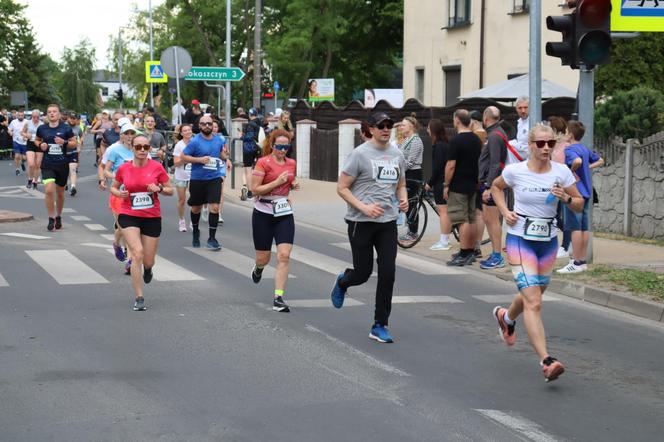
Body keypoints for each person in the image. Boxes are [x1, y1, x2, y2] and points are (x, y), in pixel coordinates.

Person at [489, 123, 584, 382]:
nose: (545, 148)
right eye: (540, 143)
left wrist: (565, 198)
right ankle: (546, 360)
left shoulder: (562, 172)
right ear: (530, 145)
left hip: (548, 241)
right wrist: (505, 211)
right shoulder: (515, 171)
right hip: (520, 240)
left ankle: (506, 318)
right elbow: (495, 187)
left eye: (550, 143)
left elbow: (579, 204)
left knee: (533, 293)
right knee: (534, 301)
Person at [330, 112, 408, 344]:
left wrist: (403, 199)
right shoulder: (359, 154)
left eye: (389, 125)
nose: (386, 129)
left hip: (387, 223)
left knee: (388, 273)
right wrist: (363, 207)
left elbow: (400, 184)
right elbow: (342, 188)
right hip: (360, 222)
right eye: (381, 126)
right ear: (371, 129)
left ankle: (380, 324)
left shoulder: (397, 154)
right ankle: (343, 281)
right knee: (362, 273)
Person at [110, 133, 173, 311]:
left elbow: (170, 190)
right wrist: (118, 194)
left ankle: (148, 269)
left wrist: (159, 188)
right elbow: (113, 187)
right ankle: (139, 297)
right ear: (133, 148)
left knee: (148, 260)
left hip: (151, 216)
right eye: (139, 147)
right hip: (128, 213)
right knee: (136, 253)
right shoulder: (124, 168)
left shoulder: (157, 167)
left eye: (146, 147)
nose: (143, 150)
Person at [250, 129, 299, 312]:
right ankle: (259, 267)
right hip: (263, 212)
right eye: (279, 146)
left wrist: (293, 184)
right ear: (272, 145)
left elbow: (290, 181)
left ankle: (278, 297)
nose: (282, 150)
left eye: (286, 147)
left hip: (284, 212)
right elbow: (255, 189)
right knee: (264, 257)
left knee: (284, 255)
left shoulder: (291, 163)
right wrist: (277, 182)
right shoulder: (263, 163)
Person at [557, 121, 604, 274]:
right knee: (584, 228)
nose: (564, 133)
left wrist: (570, 171)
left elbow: (577, 161)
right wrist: (587, 168)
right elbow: (601, 160)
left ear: (570, 134)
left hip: (574, 192)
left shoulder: (570, 149)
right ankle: (582, 261)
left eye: (565, 131)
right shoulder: (584, 148)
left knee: (574, 227)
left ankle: (576, 262)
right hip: (587, 191)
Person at [180, 115, 226, 250]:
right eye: (204, 124)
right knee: (196, 208)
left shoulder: (218, 140)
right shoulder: (195, 141)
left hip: (214, 178)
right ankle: (195, 231)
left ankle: (212, 238)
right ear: (199, 126)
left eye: (209, 124)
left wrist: (225, 158)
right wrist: (199, 160)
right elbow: (183, 156)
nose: (207, 126)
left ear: (213, 125)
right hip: (198, 178)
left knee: (215, 207)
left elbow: (221, 155)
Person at [444, 110, 483, 266]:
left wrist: (446, 184)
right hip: (472, 183)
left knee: (461, 219)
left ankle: (464, 252)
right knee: (471, 217)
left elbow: (450, 165)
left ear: (457, 120)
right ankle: (470, 251)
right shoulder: (475, 139)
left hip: (458, 184)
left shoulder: (456, 141)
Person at [34, 104, 77, 231]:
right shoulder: (42, 128)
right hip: (47, 164)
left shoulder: (66, 128)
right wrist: (41, 144)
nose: (52, 113)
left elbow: (74, 143)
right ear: (47, 114)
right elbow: (36, 140)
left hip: (62, 164)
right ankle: (51, 217)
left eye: (54, 111)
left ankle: (58, 216)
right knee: (48, 190)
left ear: (58, 114)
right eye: (49, 112)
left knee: (60, 194)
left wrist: (64, 142)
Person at [478, 106, 508, 269]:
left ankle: (497, 256)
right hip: (490, 182)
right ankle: (495, 254)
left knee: (493, 220)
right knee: (489, 219)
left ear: (485, 117)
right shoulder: (496, 133)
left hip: (492, 183)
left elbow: (496, 163)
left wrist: (490, 186)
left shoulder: (495, 135)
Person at [424, 118, 453, 251]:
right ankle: (446, 238)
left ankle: (444, 241)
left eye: (429, 128)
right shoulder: (446, 144)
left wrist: (429, 183)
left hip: (441, 182)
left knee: (443, 212)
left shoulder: (438, 146)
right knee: (446, 211)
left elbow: (438, 167)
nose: (427, 130)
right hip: (446, 181)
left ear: (433, 130)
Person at [548, 116, 572, 259]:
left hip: (566, 185)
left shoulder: (566, 146)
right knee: (556, 216)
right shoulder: (552, 144)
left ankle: (566, 245)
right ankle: (570, 239)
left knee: (565, 215)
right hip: (555, 184)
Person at [398, 115, 424, 242]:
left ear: (411, 126)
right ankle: (410, 229)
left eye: (403, 124)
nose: (401, 127)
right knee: (406, 201)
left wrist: (398, 170)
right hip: (406, 173)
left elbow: (411, 162)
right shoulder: (405, 139)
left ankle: (413, 232)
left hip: (413, 174)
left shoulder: (416, 140)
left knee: (411, 202)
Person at [172, 124, 192, 231]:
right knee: (182, 200)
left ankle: (194, 221)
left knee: (195, 199)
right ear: (181, 133)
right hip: (181, 176)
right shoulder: (179, 145)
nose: (188, 132)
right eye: (185, 130)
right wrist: (185, 159)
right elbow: (175, 163)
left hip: (194, 176)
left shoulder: (195, 143)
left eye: (189, 130)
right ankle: (181, 220)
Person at [241, 108, 261, 200]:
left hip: (249, 148)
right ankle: (254, 188)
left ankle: (250, 191)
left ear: (249, 115)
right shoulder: (260, 123)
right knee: (255, 169)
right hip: (257, 148)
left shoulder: (250, 124)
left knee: (248, 169)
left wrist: (242, 136)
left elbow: (249, 136)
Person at [21, 109, 43, 189]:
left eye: (37, 117)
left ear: (39, 117)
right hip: (30, 143)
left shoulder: (42, 124)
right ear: (31, 116)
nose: (36, 119)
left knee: (37, 165)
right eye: (34, 117)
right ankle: (30, 180)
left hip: (39, 144)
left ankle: (35, 182)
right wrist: (26, 135)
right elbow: (22, 132)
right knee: (31, 164)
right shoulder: (28, 123)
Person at [65, 113, 82, 196]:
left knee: (72, 169)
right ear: (68, 118)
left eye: (74, 118)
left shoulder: (78, 128)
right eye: (71, 118)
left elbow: (81, 136)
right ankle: (64, 183)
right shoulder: (63, 127)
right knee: (65, 170)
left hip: (73, 151)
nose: (72, 120)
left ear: (76, 119)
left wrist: (79, 143)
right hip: (63, 152)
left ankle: (73, 187)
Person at [509, 97, 530, 163]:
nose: (523, 111)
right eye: (520, 108)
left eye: (525, 107)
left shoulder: (533, 122)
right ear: (516, 109)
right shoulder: (519, 123)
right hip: (521, 157)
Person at [8, 109, 27, 175]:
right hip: (16, 140)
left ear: (24, 115)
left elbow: (30, 131)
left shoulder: (27, 122)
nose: (20, 116)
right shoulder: (13, 122)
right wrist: (10, 132)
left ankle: (22, 162)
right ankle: (17, 169)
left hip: (25, 142)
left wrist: (26, 136)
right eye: (19, 115)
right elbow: (9, 129)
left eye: (22, 115)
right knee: (17, 156)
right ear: (17, 115)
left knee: (25, 158)